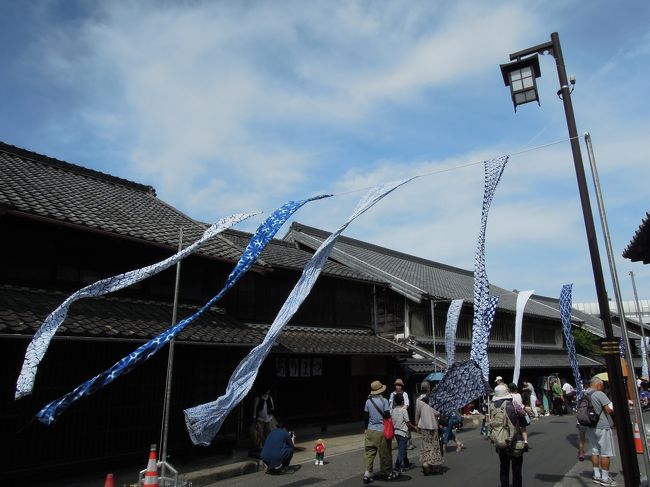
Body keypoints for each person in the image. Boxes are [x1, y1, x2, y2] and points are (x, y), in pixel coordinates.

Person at [363, 380, 399, 483]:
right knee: (385, 452)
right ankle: (387, 472)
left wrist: (365, 429)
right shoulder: (384, 401)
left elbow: (366, 417)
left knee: (369, 452)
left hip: (370, 430)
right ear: (380, 390)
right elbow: (387, 415)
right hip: (381, 430)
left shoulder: (368, 401)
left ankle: (367, 473)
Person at [584, 376, 618, 486]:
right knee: (605, 453)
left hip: (589, 426)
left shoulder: (584, 394)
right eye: (602, 385)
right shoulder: (599, 394)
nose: (602, 387)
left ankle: (597, 475)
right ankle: (605, 478)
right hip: (602, 426)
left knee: (594, 451)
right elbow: (608, 410)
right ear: (598, 384)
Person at [491, 384, 527, 487]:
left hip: (501, 440)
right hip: (515, 440)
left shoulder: (493, 407)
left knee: (504, 467)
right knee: (516, 469)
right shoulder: (513, 405)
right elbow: (524, 419)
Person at [415, 380, 444, 475]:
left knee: (426, 445)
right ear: (429, 388)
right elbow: (437, 412)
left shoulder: (418, 400)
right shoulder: (433, 398)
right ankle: (432, 465)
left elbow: (417, 414)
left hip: (423, 425)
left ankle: (425, 463)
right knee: (434, 445)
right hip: (433, 425)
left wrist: (416, 424)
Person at [390, 393, 416, 471]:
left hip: (396, 432)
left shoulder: (393, 411)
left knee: (402, 448)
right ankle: (397, 466)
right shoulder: (404, 410)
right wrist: (414, 427)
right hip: (402, 432)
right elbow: (407, 422)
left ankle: (407, 463)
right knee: (402, 451)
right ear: (402, 402)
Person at [508, 383, 529, 450]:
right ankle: (526, 442)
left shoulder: (509, 396)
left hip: (513, 414)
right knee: (523, 429)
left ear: (509, 389)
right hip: (521, 413)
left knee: (513, 429)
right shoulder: (519, 395)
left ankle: (515, 443)